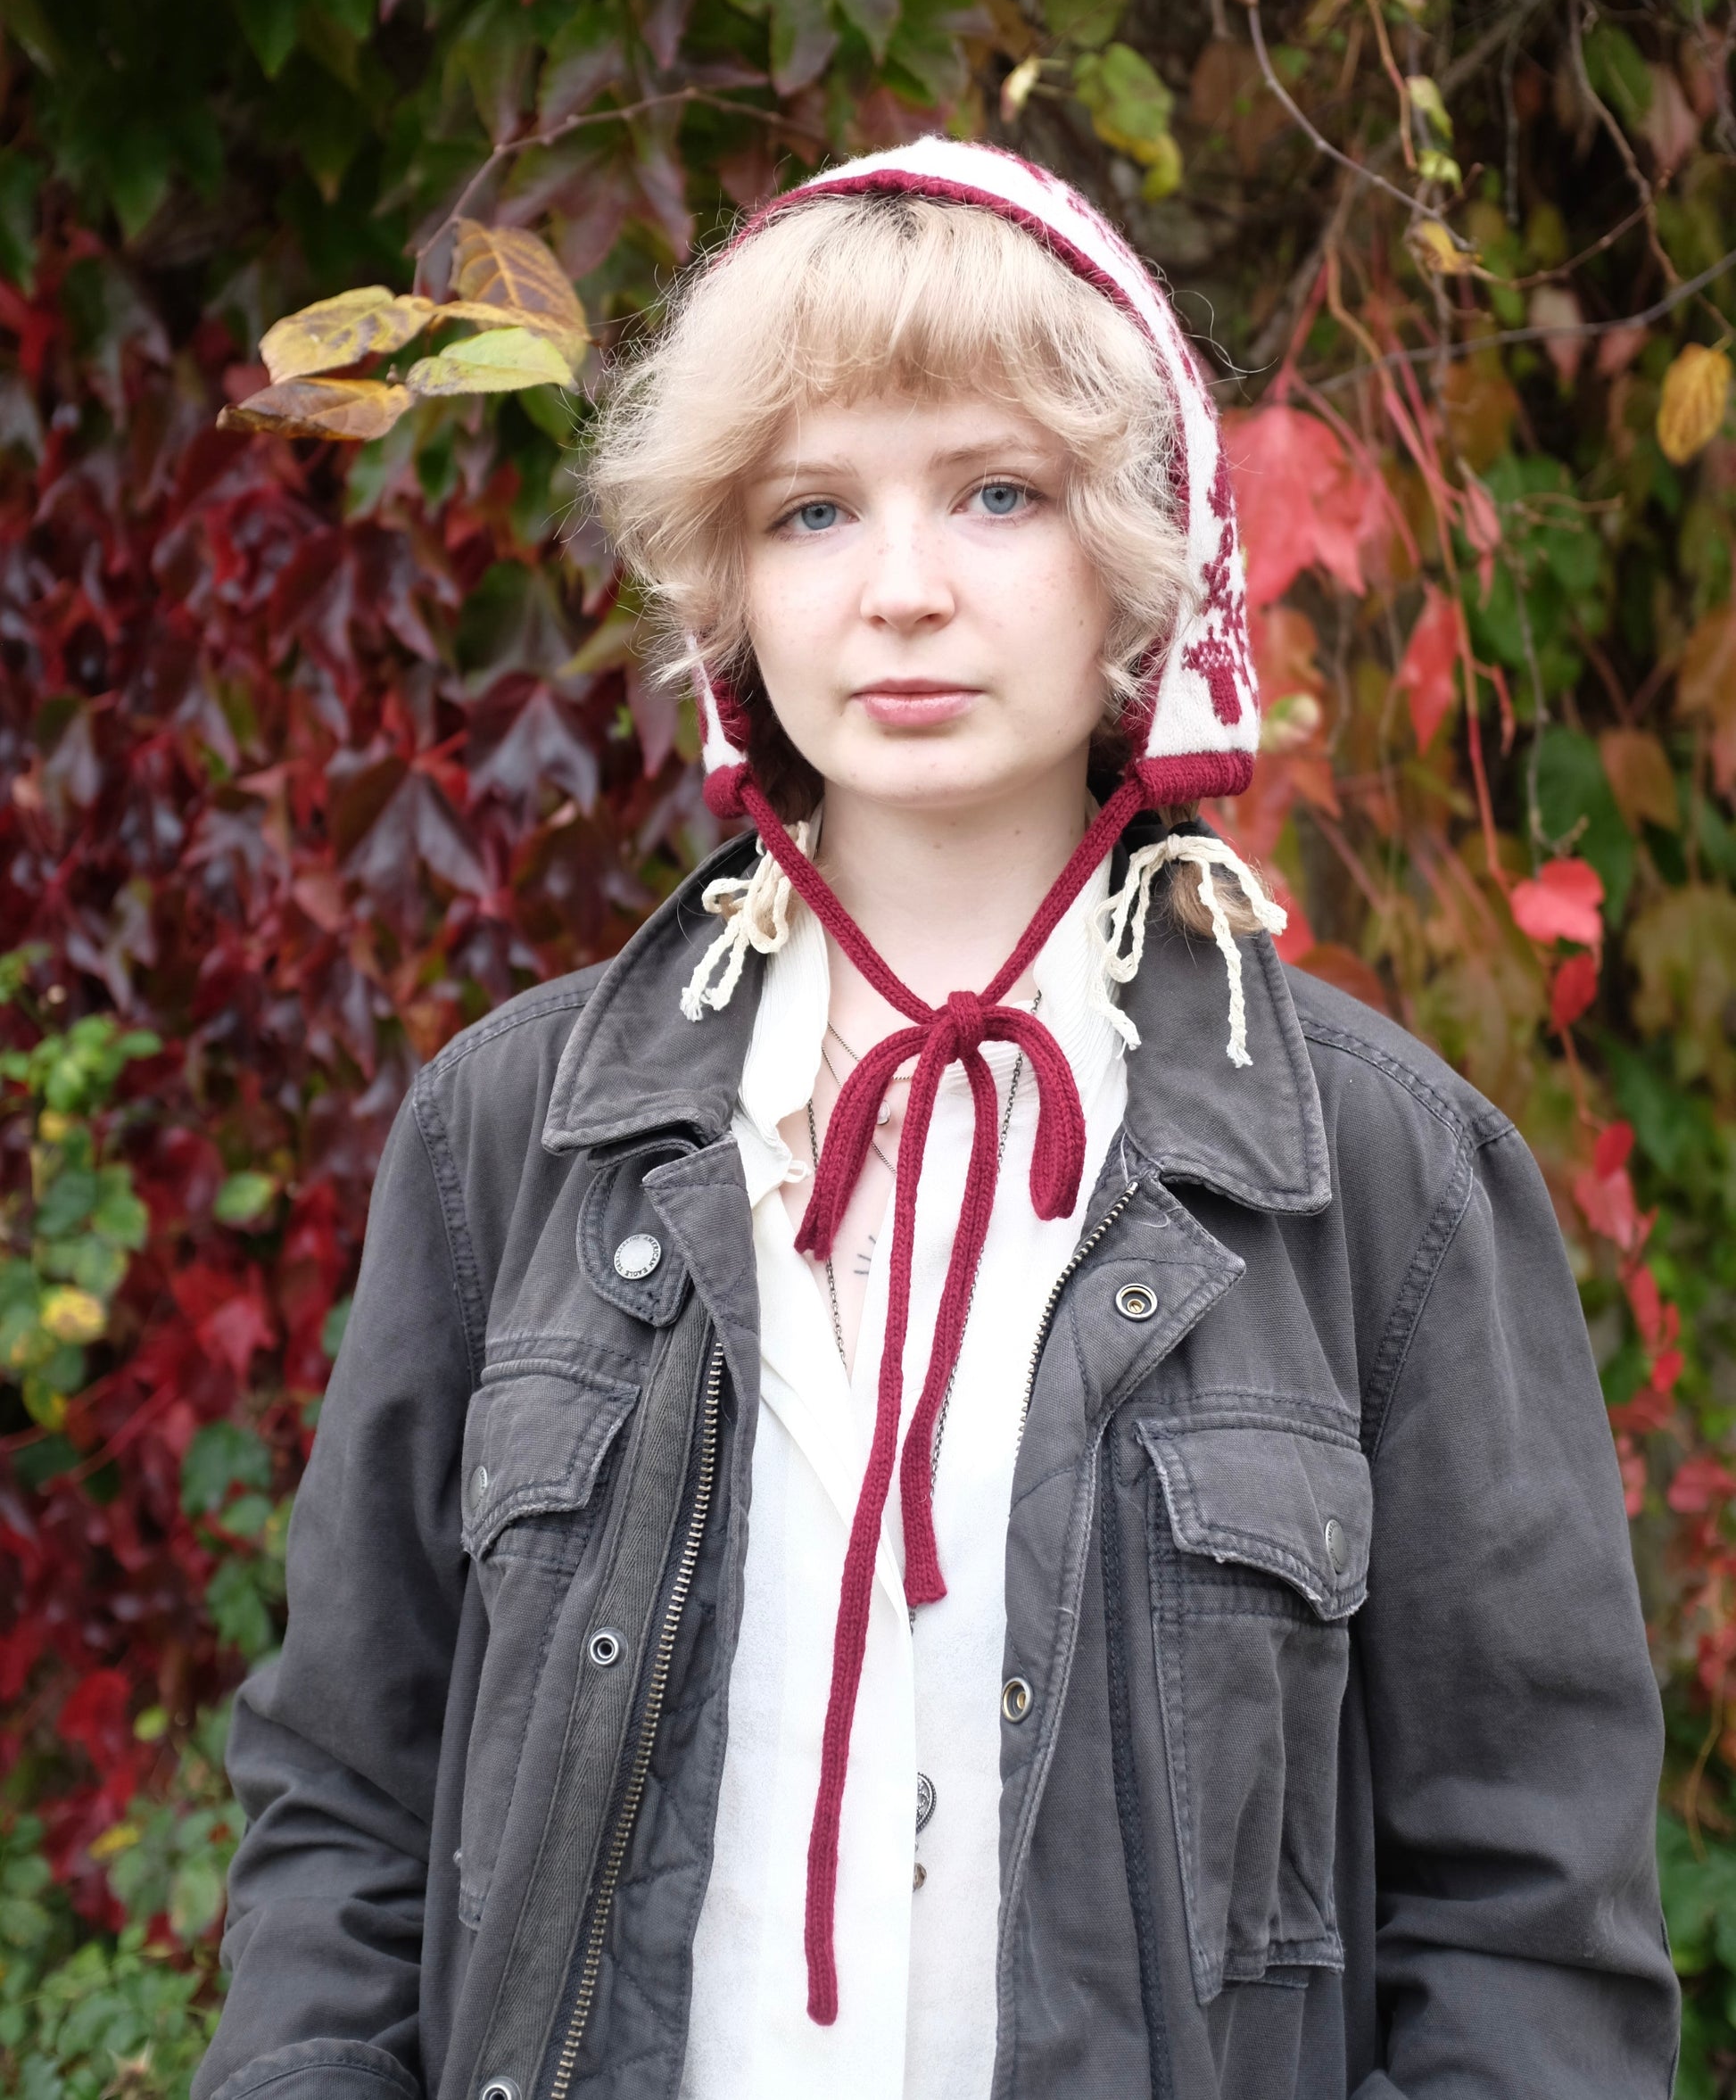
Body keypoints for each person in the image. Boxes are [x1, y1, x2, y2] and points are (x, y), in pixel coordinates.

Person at [193, 139, 1678, 2100]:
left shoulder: (1380, 1179)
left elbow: (1527, 1930)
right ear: (728, 579)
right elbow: (342, 1806)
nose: (902, 590)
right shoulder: (512, 1139)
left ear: (1139, 551)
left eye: (997, 492)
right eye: (813, 510)